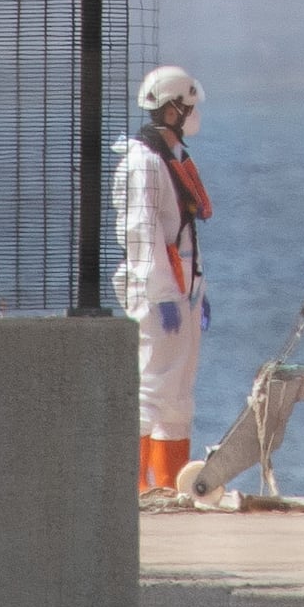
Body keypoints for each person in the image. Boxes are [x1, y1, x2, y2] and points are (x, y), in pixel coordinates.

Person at [112, 65, 210, 495]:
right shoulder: (143, 164)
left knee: (178, 386)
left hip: (181, 286)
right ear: (171, 110)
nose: (193, 114)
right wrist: (163, 294)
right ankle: (133, 482)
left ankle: (169, 482)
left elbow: (181, 232)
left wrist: (196, 291)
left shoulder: (171, 159)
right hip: (157, 292)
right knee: (150, 385)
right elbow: (141, 234)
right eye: (187, 107)